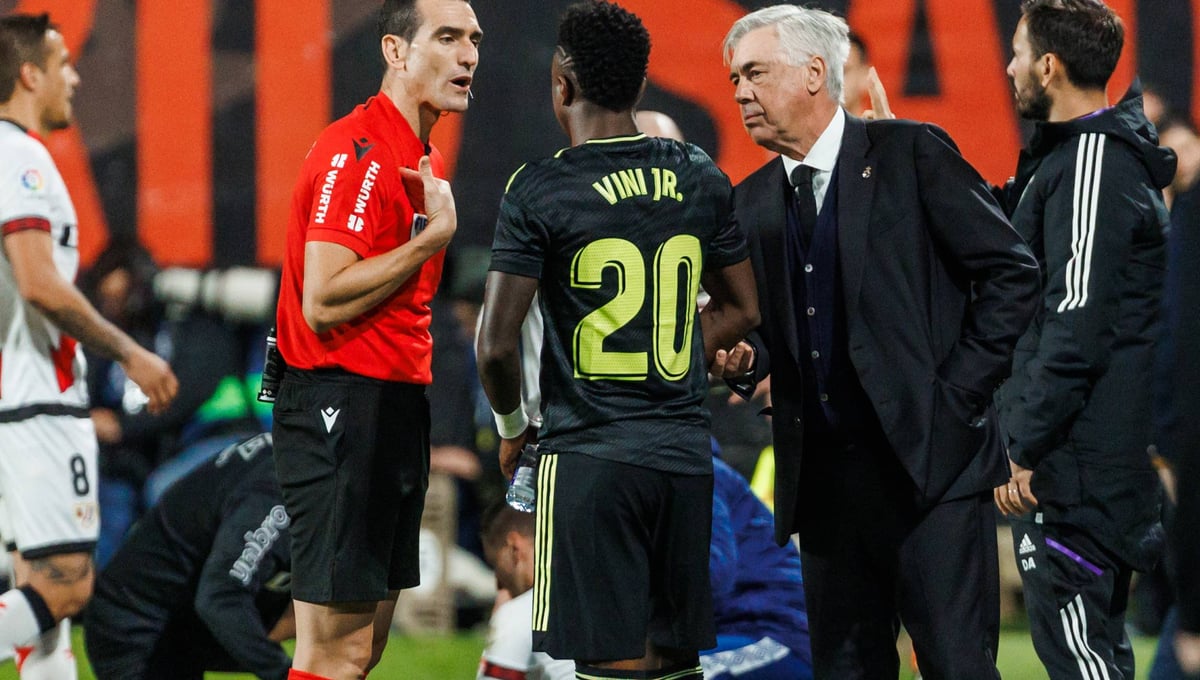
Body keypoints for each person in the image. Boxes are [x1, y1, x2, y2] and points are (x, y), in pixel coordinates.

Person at [712, 6, 1041, 679]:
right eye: (735, 79)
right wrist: (747, 361)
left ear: (814, 73)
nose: (740, 92)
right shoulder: (750, 202)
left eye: (755, 73)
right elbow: (771, 334)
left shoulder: (911, 153)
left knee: (957, 667)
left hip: (931, 474)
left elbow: (1011, 273)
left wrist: (958, 392)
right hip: (826, 491)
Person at [475, 2, 759, 678]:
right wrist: (672, 357)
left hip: (588, 459)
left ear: (562, 84)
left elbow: (494, 346)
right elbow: (743, 307)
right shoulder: (698, 174)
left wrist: (513, 429)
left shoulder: (539, 189)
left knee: (608, 663)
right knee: (674, 658)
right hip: (683, 456)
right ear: (639, 86)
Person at [269, 0, 479, 677]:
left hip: (392, 405)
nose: (468, 55)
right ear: (395, 50)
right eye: (446, 37)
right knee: (335, 652)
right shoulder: (358, 150)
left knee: (363, 649)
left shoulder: (421, 158)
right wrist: (430, 241)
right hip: (340, 404)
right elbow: (323, 298)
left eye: (474, 40)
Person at [990, 2, 1176, 678]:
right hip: (1081, 464)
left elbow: (1076, 320)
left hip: (1076, 471)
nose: (1008, 68)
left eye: (1017, 53)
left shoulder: (1094, 159)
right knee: (1093, 654)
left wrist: (1023, 443)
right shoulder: (1071, 158)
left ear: (1048, 65)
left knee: (1082, 660)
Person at [0, 13, 178, 679]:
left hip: (19, 399)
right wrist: (129, 352)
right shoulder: (19, 157)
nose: (74, 78)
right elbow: (39, 283)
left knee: (44, 613)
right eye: (64, 64)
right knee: (64, 587)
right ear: (30, 75)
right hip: (37, 403)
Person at [84, 432, 293, 680]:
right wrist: (286, 673)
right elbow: (222, 596)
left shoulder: (296, 457)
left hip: (182, 623)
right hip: (138, 627)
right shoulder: (278, 489)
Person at [477, 504, 575, 680]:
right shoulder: (605, 595)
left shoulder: (520, 613)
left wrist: (503, 618)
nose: (499, 584)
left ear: (514, 548)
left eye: (496, 565)